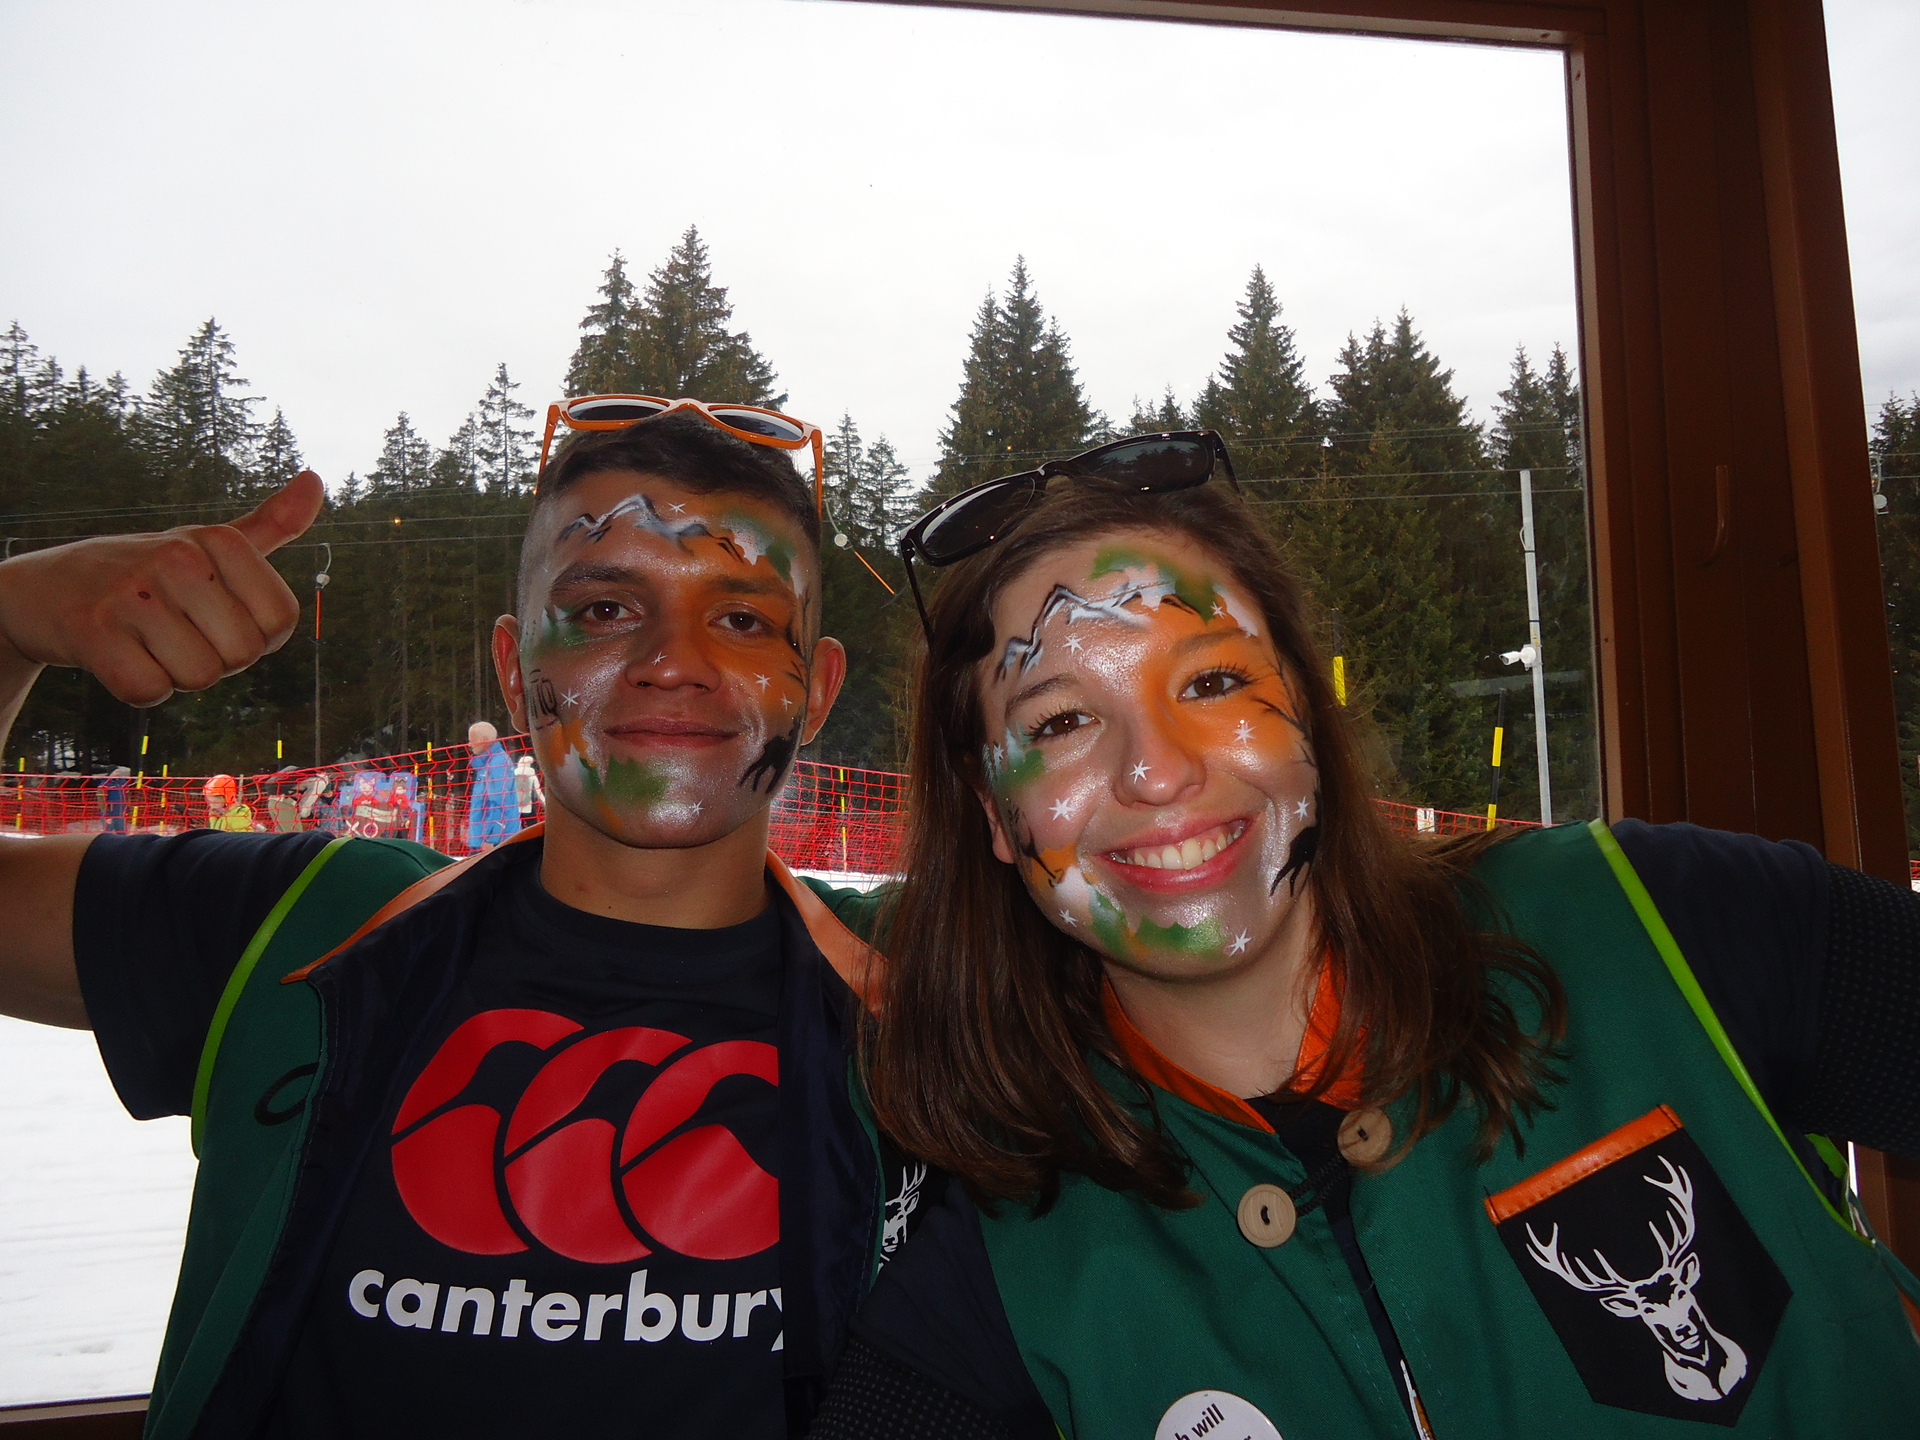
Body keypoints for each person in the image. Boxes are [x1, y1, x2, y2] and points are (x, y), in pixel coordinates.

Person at [809, 433, 1920, 1439]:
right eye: (1059, 721)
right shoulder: (1002, 1268)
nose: (1158, 771)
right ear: (992, 812)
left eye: (1213, 681)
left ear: (1306, 704)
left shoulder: (1655, 919)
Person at [0, 403, 915, 1439]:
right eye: (605, 609)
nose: (673, 660)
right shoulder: (305, 925)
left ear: (818, 688)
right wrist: (10, 617)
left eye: (743, 620)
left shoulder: (934, 983)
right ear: (515, 669)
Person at [465, 719, 520, 849]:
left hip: (495, 842)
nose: (469, 745)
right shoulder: (486, 764)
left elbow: (499, 803)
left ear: (484, 741)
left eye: (472, 740)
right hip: (482, 839)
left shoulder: (498, 764)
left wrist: (491, 838)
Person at [514, 750, 545, 823]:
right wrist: (544, 803)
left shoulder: (514, 773)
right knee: (533, 824)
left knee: (520, 826)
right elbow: (537, 790)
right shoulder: (531, 773)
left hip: (516, 806)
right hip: (527, 805)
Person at [99, 764, 131, 833]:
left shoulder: (122, 782)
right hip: (110, 814)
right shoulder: (104, 785)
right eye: (116, 772)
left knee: (122, 834)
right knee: (108, 834)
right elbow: (101, 801)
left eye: (118, 772)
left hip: (121, 813)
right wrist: (106, 815)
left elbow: (127, 796)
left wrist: (127, 808)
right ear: (111, 772)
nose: (118, 774)